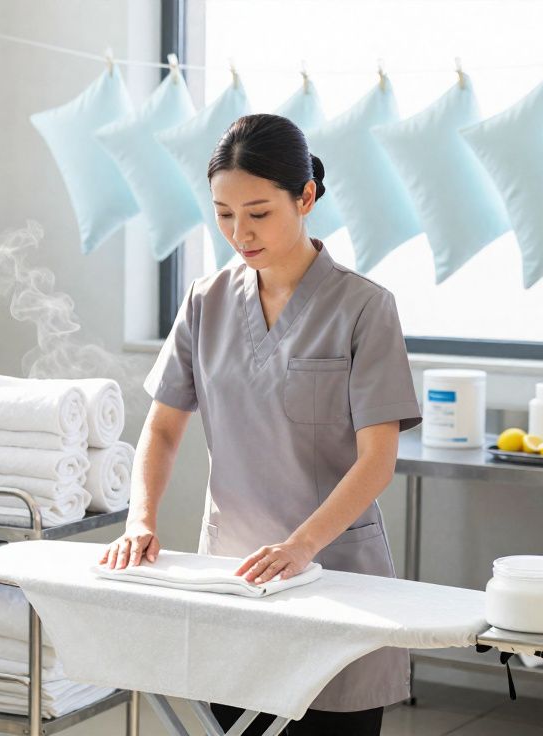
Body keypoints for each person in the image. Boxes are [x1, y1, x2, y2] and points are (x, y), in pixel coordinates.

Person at [99, 113, 421, 735]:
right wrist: (142, 519)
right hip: (235, 574)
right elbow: (162, 430)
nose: (239, 232)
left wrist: (301, 547)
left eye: (258, 212)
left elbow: (377, 458)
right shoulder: (204, 301)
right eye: (223, 214)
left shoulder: (363, 308)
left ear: (305, 198)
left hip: (335, 570)